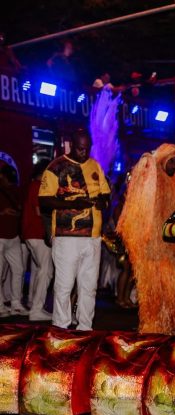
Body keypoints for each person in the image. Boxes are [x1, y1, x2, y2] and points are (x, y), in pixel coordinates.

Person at [39, 129, 111, 330]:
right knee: (64, 286)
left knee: (89, 287)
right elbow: (44, 200)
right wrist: (73, 205)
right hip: (66, 237)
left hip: (93, 238)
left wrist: (102, 202)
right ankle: (61, 327)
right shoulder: (56, 167)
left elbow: (106, 194)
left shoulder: (95, 165)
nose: (84, 152)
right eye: (80, 148)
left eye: (87, 148)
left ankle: (85, 327)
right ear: (71, 145)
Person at [21, 161, 54, 321]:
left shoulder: (34, 185)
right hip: (37, 233)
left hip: (31, 233)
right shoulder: (38, 185)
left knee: (39, 269)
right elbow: (39, 210)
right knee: (46, 271)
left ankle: (33, 303)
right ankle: (36, 309)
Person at [0, 161, 27, 317]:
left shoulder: (15, 191)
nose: (9, 180)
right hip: (0, 237)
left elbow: (20, 210)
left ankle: (16, 303)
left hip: (13, 236)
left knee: (19, 270)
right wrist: (3, 212)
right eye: (7, 177)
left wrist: (15, 212)